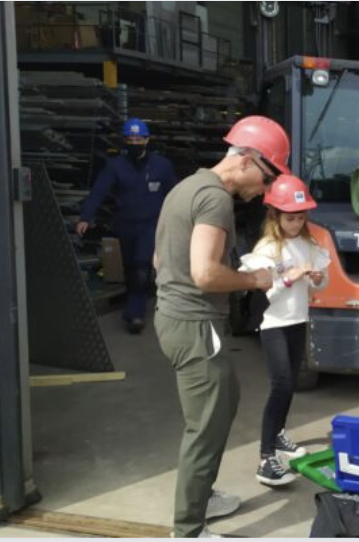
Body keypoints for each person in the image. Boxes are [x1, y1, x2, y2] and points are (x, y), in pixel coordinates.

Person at [153, 115, 289, 538]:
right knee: (205, 427)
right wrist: (254, 279)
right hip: (194, 325)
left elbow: (162, 262)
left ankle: (202, 495)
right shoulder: (215, 199)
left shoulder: (186, 187)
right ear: (247, 159)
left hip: (178, 319)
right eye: (267, 178)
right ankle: (188, 529)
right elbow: (205, 275)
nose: (265, 191)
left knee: (224, 401)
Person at [239, 174, 329, 486]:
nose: (295, 223)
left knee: (290, 384)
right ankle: (266, 458)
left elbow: (322, 280)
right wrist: (290, 277)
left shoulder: (307, 243)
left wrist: (317, 279)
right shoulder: (266, 249)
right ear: (275, 216)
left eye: (300, 217)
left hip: (297, 320)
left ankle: (278, 435)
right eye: (290, 218)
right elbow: (266, 293)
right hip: (273, 324)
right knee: (280, 384)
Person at [76, 118, 178, 333]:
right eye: (130, 139)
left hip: (151, 224)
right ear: (124, 141)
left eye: (138, 139)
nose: (134, 142)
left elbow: (176, 194)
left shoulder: (161, 166)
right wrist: (85, 217)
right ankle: (137, 299)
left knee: (141, 267)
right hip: (125, 225)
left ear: (147, 140)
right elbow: (99, 192)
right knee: (132, 268)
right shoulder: (116, 166)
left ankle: (135, 315)